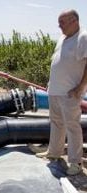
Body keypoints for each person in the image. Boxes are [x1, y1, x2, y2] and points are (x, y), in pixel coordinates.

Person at [36, 9, 87, 175]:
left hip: (69, 93)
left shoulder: (83, 37)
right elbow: (58, 63)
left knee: (72, 126)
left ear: (74, 21)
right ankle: (54, 153)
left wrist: (80, 88)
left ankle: (75, 162)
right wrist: (50, 85)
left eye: (62, 22)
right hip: (55, 90)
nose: (59, 26)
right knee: (56, 123)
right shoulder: (62, 38)